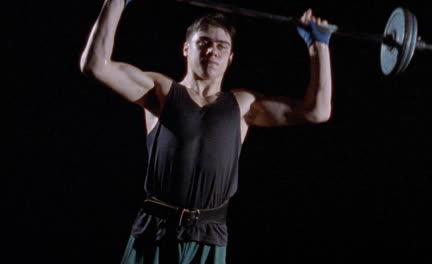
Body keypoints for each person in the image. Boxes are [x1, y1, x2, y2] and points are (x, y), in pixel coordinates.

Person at [80, 0, 333, 263]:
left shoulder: (242, 105)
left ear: (230, 57)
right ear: (186, 48)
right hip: (154, 232)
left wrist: (319, 46)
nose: (213, 51)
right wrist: (116, 3)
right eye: (204, 43)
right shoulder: (161, 92)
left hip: (208, 237)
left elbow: (318, 111)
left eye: (222, 46)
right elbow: (95, 65)